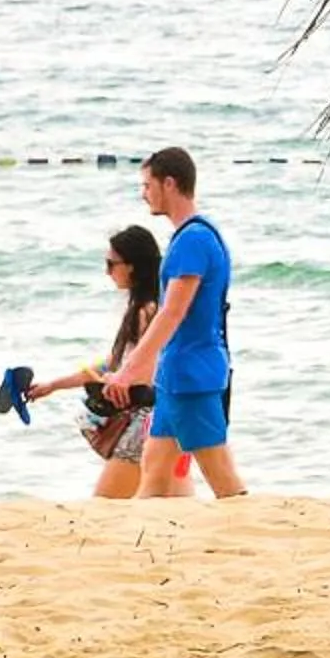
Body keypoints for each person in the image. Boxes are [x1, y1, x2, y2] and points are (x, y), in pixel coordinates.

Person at [110, 146, 245, 498]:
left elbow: (173, 312)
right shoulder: (191, 237)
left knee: (225, 482)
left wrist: (129, 370)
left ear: (169, 183)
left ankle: (255, 548)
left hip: (192, 377)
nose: (144, 194)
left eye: (147, 185)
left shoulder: (194, 240)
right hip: (176, 377)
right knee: (153, 472)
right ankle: (137, 547)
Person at [24, 225, 167, 498]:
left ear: (133, 267)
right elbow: (111, 364)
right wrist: (54, 385)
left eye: (111, 264)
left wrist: (118, 381)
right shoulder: (142, 308)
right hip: (155, 420)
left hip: (144, 420)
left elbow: (149, 368)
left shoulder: (145, 311)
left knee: (106, 503)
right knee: (158, 503)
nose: (107, 271)